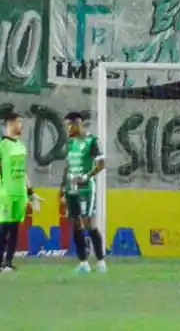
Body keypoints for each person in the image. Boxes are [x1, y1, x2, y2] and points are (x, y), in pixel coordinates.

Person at [0, 112, 40, 273]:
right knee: (3, 227)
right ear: (10, 124)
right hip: (5, 193)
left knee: (15, 228)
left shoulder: (21, 146)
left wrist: (31, 192)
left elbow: (22, 172)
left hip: (19, 194)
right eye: (18, 123)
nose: (21, 126)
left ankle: (9, 262)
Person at [61, 111, 107, 273]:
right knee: (76, 223)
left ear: (77, 124)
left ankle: (101, 262)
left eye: (69, 125)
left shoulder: (92, 141)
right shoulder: (70, 143)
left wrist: (86, 176)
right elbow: (67, 166)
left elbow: (101, 164)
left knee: (89, 223)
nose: (67, 129)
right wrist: (62, 188)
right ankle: (83, 263)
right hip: (71, 188)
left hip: (87, 188)